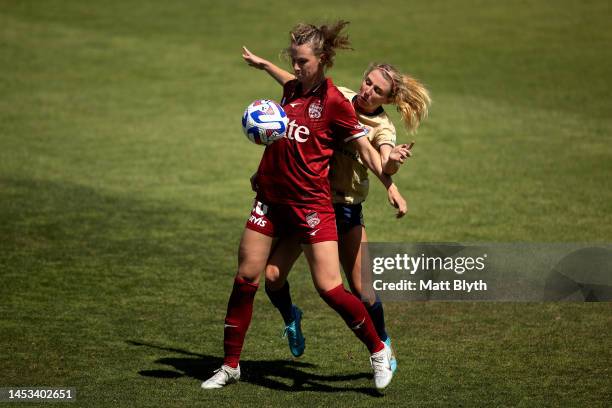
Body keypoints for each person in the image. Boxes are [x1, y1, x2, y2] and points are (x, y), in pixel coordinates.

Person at [202, 21, 406, 391]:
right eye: (293, 61)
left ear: (322, 60)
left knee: (330, 287)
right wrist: (266, 66)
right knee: (249, 276)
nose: (296, 68)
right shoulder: (293, 89)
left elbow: (366, 150)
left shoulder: (335, 103)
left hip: (312, 204)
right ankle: (231, 364)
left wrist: (390, 185)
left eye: (302, 62)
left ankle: (378, 350)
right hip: (270, 198)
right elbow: (284, 113)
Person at [242, 48, 431, 373]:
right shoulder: (339, 97)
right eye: (368, 82)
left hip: (344, 210)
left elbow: (381, 159)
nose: (367, 91)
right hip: (306, 202)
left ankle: (383, 344)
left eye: (377, 91)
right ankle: (292, 317)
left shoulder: (381, 128)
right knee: (272, 277)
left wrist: (393, 168)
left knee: (362, 290)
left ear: (386, 100)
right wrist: (265, 66)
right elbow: (294, 83)